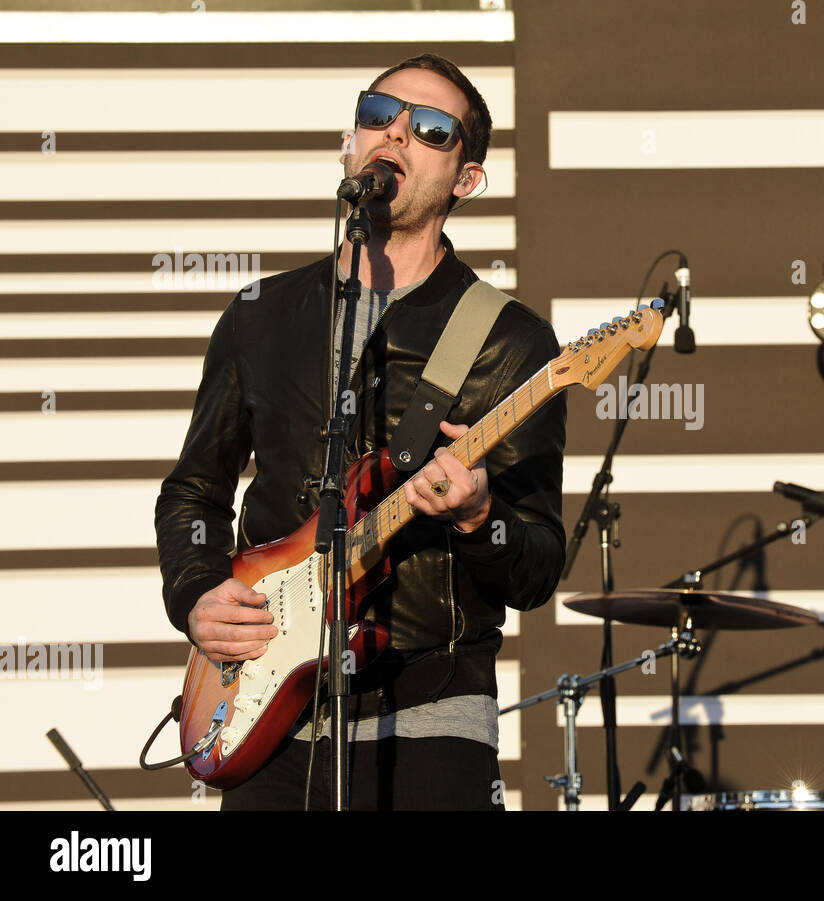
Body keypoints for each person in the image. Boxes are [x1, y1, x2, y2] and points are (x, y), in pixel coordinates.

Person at [154, 54, 566, 810]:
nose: (397, 134)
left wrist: (480, 518)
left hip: (430, 714)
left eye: (431, 130)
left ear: (465, 180)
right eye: (380, 114)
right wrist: (197, 591)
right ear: (351, 142)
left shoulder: (511, 342)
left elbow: (537, 564)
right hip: (269, 717)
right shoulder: (260, 313)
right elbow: (194, 490)